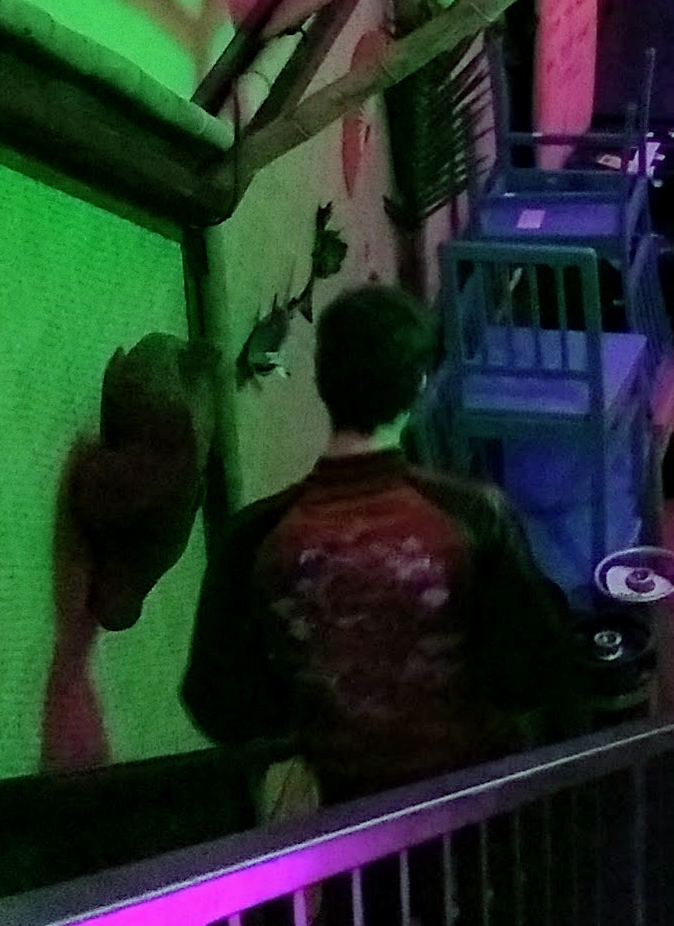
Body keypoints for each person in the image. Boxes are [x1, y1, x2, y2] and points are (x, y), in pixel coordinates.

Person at [180, 281, 592, 798]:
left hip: (352, 813)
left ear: (322, 382)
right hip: (477, 804)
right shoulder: (475, 516)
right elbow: (530, 671)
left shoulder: (253, 538)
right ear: (419, 386)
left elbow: (216, 704)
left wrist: (316, 704)